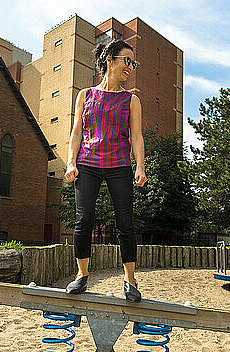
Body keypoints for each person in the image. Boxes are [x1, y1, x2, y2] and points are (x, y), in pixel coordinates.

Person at [64, 39, 146, 301]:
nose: (131, 67)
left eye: (134, 63)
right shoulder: (85, 95)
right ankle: (81, 276)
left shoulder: (131, 100)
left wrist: (140, 167)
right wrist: (70, 162)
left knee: (125, 223)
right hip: (87, 164)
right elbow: (77, 131)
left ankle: (130, 280)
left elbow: (137, 136)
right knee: (84, 219)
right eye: (127, 61)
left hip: (119, 165)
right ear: (109, 60)